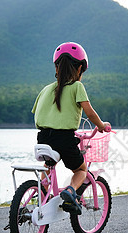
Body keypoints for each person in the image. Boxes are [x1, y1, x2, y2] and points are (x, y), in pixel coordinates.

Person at [32, 42, 110, 215]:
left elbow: (37, 114)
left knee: (49, 165)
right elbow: (89, 113)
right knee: (81, 170)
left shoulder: (45, 89)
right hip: (64, 139)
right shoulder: (76, 87)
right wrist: (101, 126)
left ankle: (43, 193)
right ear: (80, 68)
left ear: (56, 67)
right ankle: (70, 191)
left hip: (43, 138)